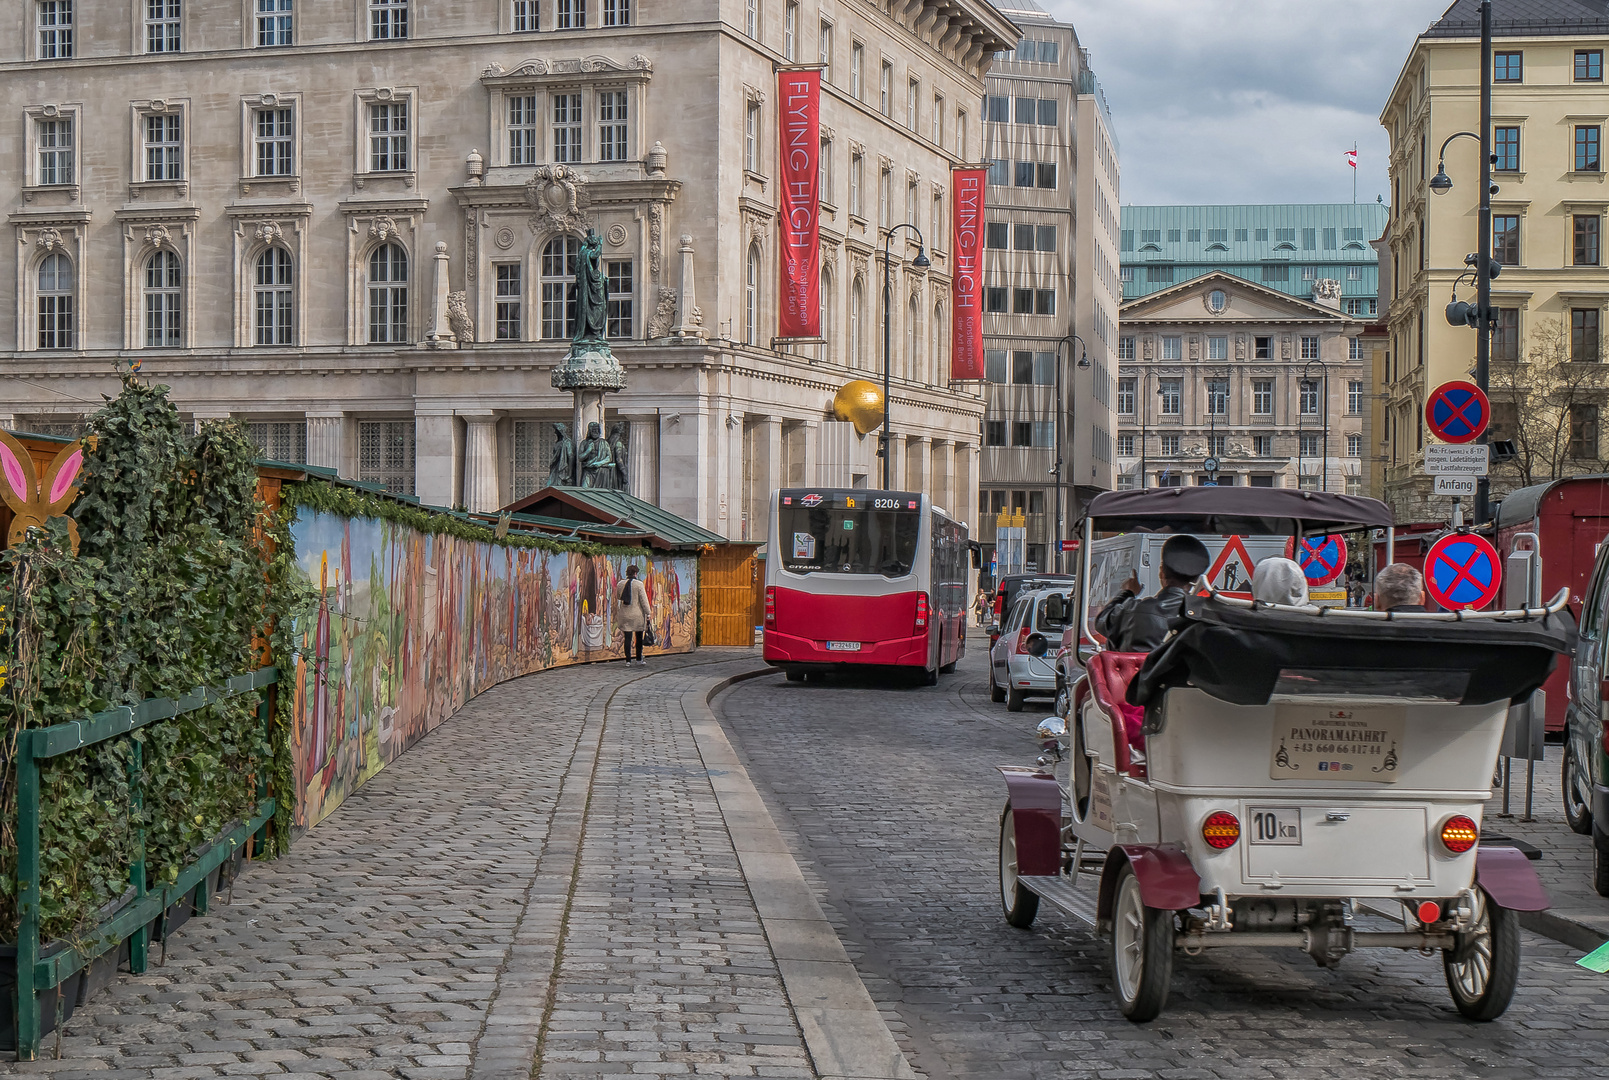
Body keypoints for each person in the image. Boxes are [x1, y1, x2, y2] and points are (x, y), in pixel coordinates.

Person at [1096, 535, 1211, 653]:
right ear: (1198, 581)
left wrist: (1128, 592)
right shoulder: (1209, 616)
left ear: (1161, 573)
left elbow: (1101, 621)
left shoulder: (1131, 610)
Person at [617, 563, 654, 664]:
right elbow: (643, 600)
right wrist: (648, 613)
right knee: (638, 637)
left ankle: (628, 660)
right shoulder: (639, 584)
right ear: (635, 573)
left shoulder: (620, 584)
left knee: (627, 638)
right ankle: (639, 659)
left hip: (625, 614)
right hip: (637, 615)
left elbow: (618, 596)